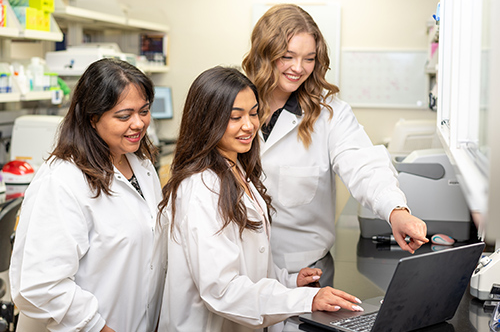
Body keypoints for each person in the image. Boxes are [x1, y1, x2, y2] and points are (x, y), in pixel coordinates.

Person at [158, 66, 364, 332]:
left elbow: (249, 262)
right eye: (235, 117)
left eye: (254, 113)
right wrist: (306, 299)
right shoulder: (202, 187)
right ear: (207, 121)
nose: (249, 125)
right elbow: (223, 290)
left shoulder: (237, 169)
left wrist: (289, 281)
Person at [242, 4, 428, 287]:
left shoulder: (329, 114)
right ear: (264, 53)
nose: (298, 68)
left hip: (304, 270)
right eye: (287, 56)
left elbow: (363, 164)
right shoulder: (235, 105)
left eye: (309, 59)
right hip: (241, 268)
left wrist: (396, 211)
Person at [9, 58, 167, 332]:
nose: (139, 123)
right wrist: (99, 328)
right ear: (92, 118)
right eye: (124, 115)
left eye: (144, 111)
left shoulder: (140, 165)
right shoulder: (63, 180)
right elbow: (41, 285)